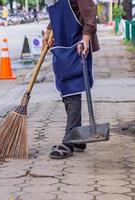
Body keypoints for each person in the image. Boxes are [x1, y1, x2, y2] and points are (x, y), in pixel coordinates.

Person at [42, 0, 99, 159]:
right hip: (61, 48)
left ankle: (69, 140)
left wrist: (86, 40)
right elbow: (57, 16)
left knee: (72, 90)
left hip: (76, 46)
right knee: (65, 91)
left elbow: (90, 12)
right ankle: (77, 138)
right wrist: (49, 30)